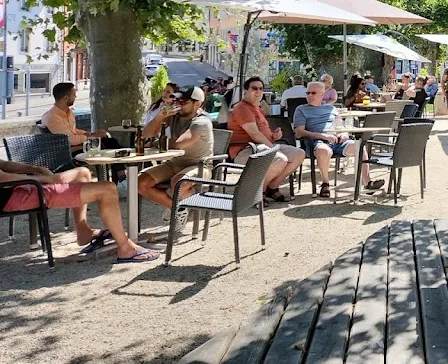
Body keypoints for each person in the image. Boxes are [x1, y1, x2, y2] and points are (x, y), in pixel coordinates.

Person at [0, 160, 159, 263]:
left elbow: (4, 165)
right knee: (108, 189)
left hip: (20, 188)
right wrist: (46, 179)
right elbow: (4, 178)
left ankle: (83, 232)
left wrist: (36, 169)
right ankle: (126, 248)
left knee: (82, 172)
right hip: (16, 195)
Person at [138, 86, 214, 223]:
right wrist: (160, 116)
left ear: (198, 103)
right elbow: (146, 134)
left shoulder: (201, 122)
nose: (179, 104)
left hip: (200, 165)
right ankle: (178, 209)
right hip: (174, 163)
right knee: (140, 182)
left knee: (179, 183)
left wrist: (156, 143)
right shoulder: (175, 116)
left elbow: (179, 143)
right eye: (178, 100)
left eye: (184, 101)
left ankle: (186, 205)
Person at [293, 82, 381, 197]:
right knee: (324, 151)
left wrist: (344, 133)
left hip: (338, 140)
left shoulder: (331, 108)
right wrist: (323, 136)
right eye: (308, 93)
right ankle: (325, 184)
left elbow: (341, 125)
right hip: (317, 141)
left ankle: (367, 183)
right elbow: (299, 132)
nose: (309, 95)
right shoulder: (301, 109)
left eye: (313, 93)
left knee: (360, 147)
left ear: (322, 94)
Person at [227, 77, 306, 202]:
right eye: (254, 88)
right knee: (279, 158)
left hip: (262, 147)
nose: (258, 91)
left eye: (260, 89)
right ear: (245, 91)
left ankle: (272, 188)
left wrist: (273, 136)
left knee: (299, 154)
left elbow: (260, 133)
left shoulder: (257, 108)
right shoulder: (242, 108)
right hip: (245, 150)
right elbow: (254, 133)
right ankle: (256, 192)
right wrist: (272, 146)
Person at [41, 83, 112, 152]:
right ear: (66, 98)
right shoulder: (53, 118)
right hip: (68, 152)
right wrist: (93, 137)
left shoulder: (68, 112)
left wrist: (90, 134)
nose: (75, 97)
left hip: (76, 146)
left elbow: (73, 131)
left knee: (110, 142)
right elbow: (71, 140)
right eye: (74, 94)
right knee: (107, 145)